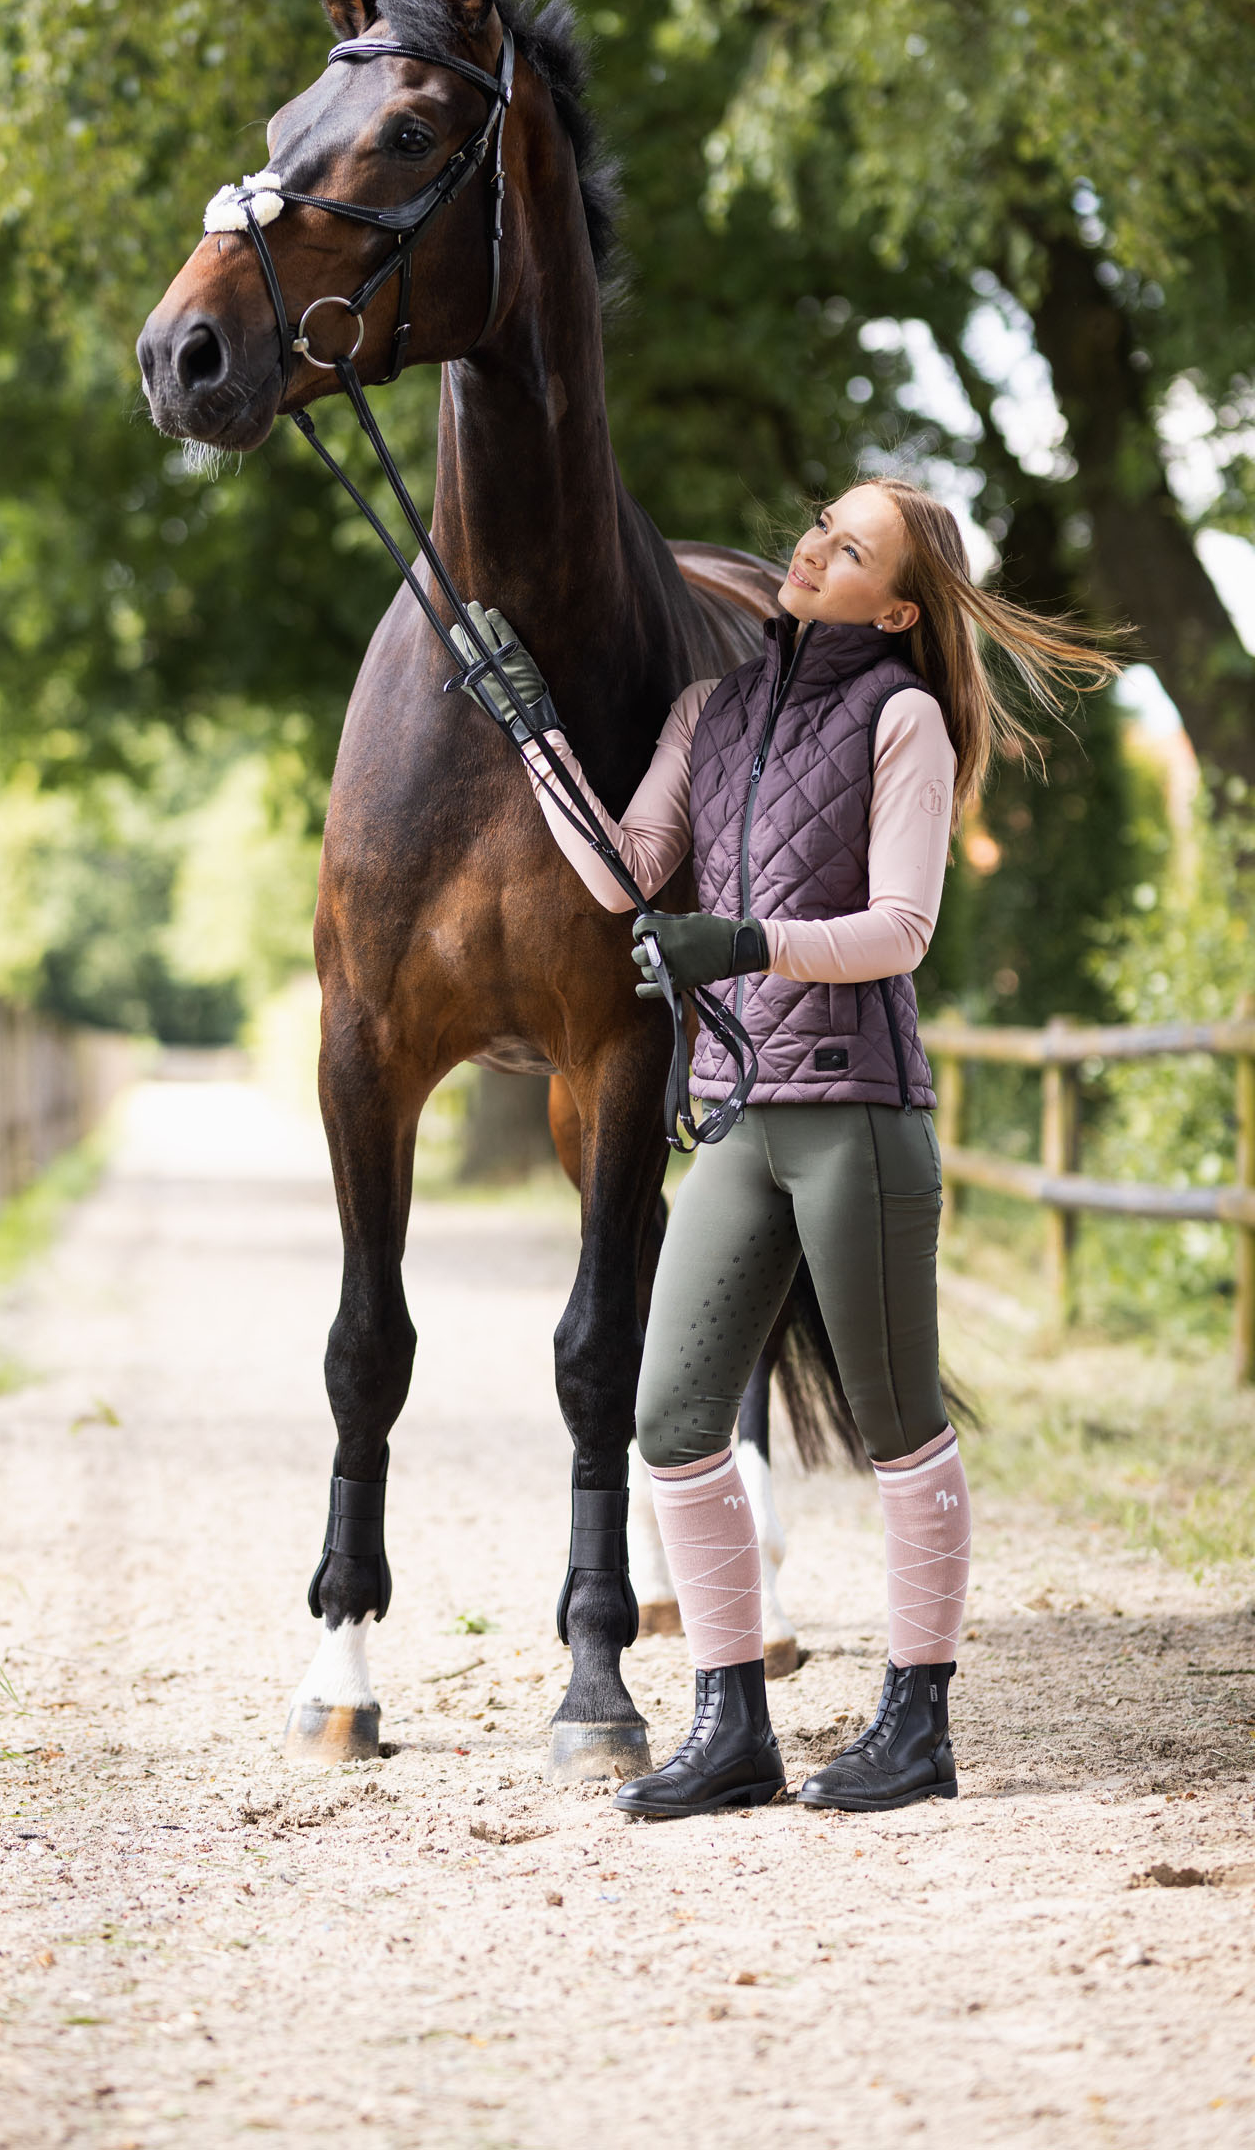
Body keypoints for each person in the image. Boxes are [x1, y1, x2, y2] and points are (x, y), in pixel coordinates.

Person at [454, 478, 1118, 1817]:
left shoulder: (907, 719)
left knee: (897, 1428)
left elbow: (901, 930)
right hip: (742, 1117)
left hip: (859, 1119)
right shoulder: (717, 711)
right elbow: (632, 869)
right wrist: (535, 737)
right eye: (820, 524)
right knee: (671, 1420)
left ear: (899, 605)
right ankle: (731, 1723)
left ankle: (916, 1724)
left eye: (851, 546)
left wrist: (744, 944)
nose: (814, 546)